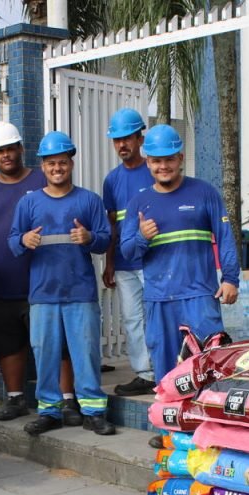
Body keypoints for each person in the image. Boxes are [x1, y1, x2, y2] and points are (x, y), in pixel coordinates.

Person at [0, 122, 80, 424]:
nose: (6, 155)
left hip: (44, 285)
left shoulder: (44, 179)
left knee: (58, 343)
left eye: (11, 148)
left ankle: (67, 399)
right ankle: (15, 398)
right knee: (7, 344)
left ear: (21, 149)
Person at [8, 131, 115, 436]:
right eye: (51, 163)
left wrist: (90, 237)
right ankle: (49, 410)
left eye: (63, 162)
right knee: (44, 353)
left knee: (86, 352)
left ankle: (93, 410)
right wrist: (24, 239)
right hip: (43, 294)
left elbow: (105, 240)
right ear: (43, 166)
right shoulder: (28, 204)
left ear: (71, 163)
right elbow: (12, 241)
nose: (57, 168)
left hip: (80, 292)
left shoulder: (89, 200)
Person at [120, 124, 240, 384]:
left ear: (180, 159)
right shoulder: (139, 203)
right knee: (166, 375)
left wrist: (230, 278)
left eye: (169, 159)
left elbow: (225, 236)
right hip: (159, 300)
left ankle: (203, 426)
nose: (163, 166)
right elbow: (127, 253)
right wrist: (142, 237)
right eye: (156, 161)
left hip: (199, 297)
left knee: (208, 370)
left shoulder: (204, 193)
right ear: (148, 162)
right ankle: (170, 427)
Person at [101, 108, 156, 397]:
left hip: (153, 261)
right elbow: (112, 225)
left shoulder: (154, 170)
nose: (122, 145)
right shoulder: (111, 180)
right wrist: (109, 263)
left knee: (157, 315)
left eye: (127, 138)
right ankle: (144, 374)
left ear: (139, 137)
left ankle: (165, 371)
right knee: (132, 319)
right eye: (117, 140)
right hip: (123, 262)